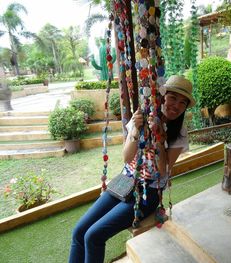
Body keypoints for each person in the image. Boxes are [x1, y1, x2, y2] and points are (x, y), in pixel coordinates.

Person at [69, 75, 196, 263]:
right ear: (162, 96)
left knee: (93, 236)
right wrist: (136, 131)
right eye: (172, 98)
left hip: (148, 192)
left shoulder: (180, 133)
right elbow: (127, 157)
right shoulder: (143, 114)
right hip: (124, 181)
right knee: (79, 231)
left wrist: (160, 140)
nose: (176, 105)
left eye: (182, 102)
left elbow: (163, 171)